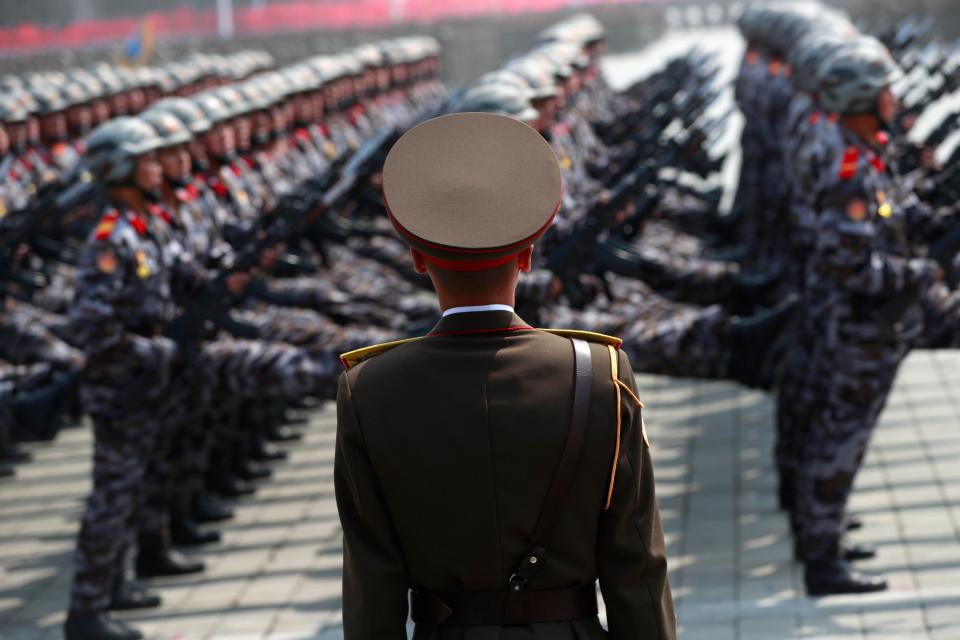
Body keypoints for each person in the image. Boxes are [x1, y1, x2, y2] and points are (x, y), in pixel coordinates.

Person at [335, 112, 676, 639]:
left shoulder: (369, 391)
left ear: (418, 259)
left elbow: (371, 587)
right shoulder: (599, 374)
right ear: (528, 256)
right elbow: (637, 567)